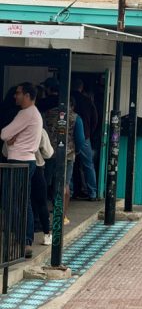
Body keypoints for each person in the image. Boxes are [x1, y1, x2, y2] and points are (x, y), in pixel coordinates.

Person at [1, 82, 44, 258]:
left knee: (10, 200)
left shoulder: (26, 113)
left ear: (27, 95)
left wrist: (11, 137)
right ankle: (24, 239)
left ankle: (21, 237)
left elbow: (4, 134)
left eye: (18, 93)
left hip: (19, 160)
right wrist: (13, 136)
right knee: (22, 200)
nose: (15, 96)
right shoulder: (34, 114)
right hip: (29, 160)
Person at [43, 96, 77, 226]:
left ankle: (43, 213)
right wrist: (75, 150)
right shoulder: (75, 117)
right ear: (72, 105)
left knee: (47, 182)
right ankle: (61, 216)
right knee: (64, 184)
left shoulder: (48, 114)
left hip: (49, 153)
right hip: (67, 155)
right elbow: (79, 138)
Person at [72, 79, 98, 198]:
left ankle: (70, 191)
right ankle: (92, 192)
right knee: (88, 165)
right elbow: (95, 119)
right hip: (85, 136)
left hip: (68, 136)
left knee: (69, 163)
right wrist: (89, 133)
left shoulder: (68, 98)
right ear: (81, 88)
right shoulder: (88, 101)